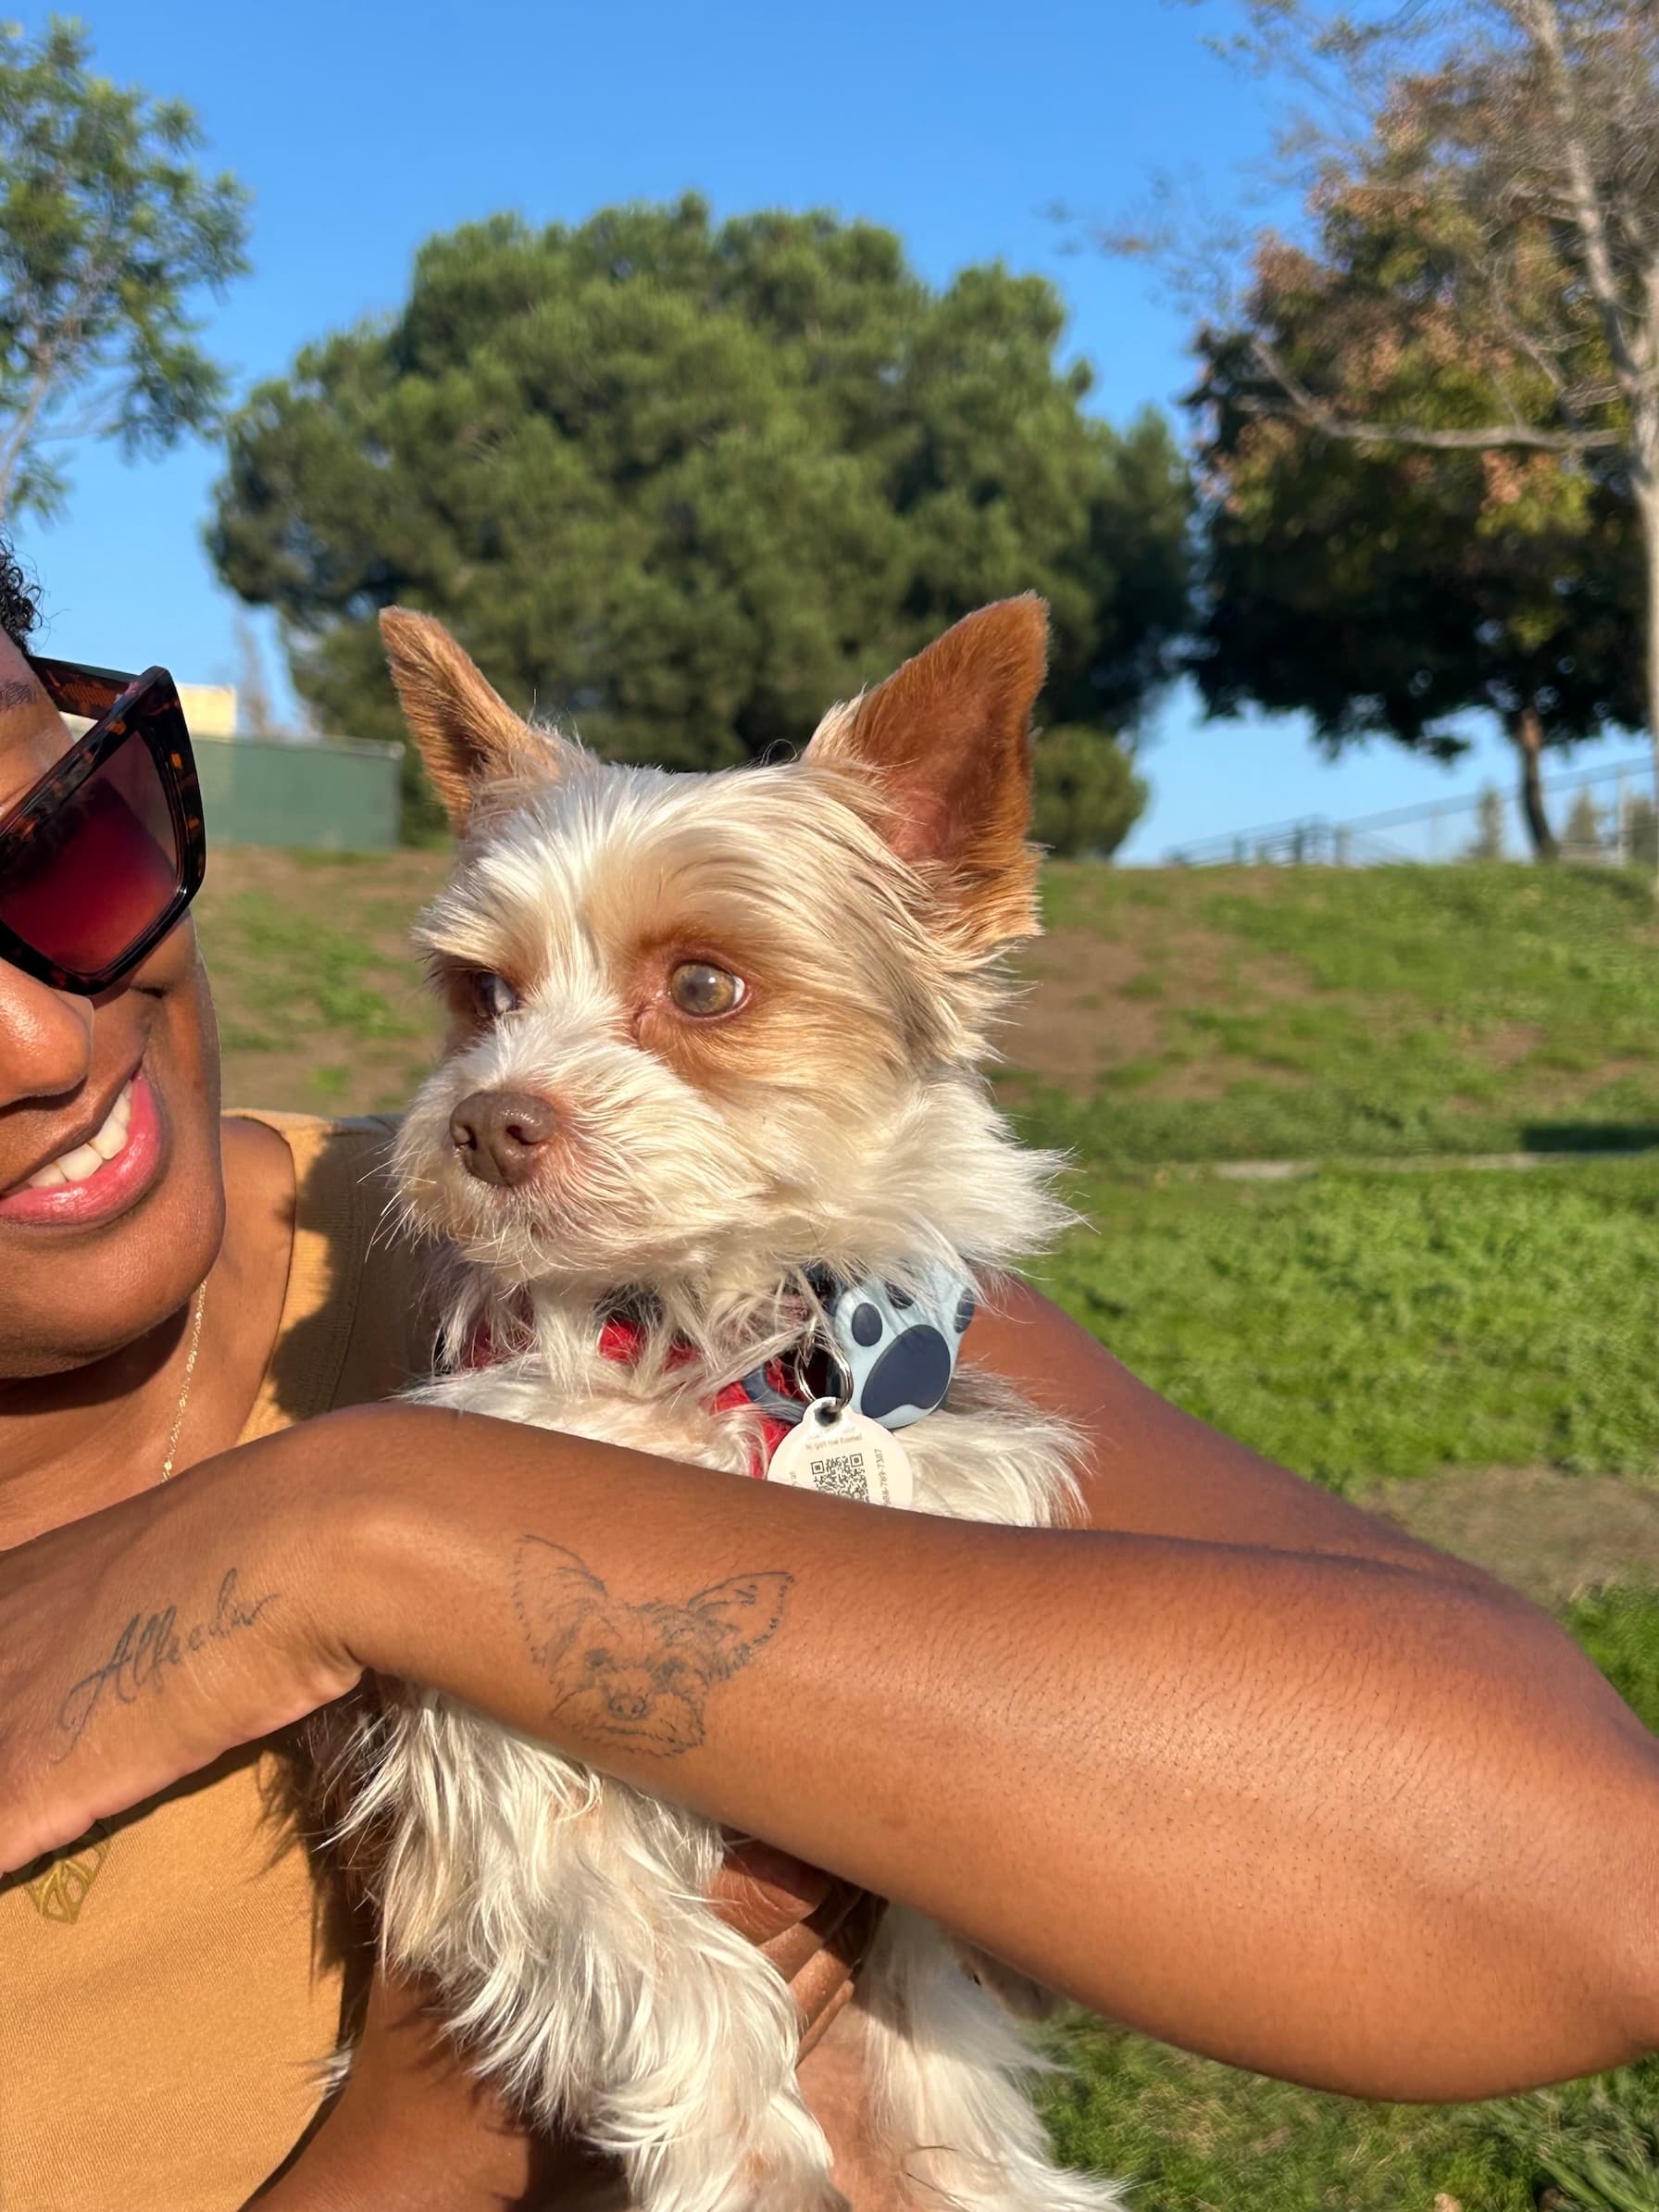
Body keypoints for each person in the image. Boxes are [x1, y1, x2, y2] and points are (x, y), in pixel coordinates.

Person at [2, 549, 1656, 2212]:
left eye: (700, 990)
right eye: (489, 996)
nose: (516, 1081)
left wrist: (348, 1518)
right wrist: (439, 2137)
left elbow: (1579, 1873)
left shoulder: (861, 1339)